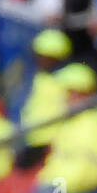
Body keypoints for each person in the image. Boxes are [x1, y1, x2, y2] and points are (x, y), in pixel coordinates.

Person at [33, 62, 97, 193]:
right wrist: (46, 186)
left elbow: (86, 173)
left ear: (81, 92)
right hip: (70, 189)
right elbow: (57, 166)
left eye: (69, 92)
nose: (65, 98)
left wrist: (54, 191)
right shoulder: (69, 124)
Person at [19, 29, 72, 161]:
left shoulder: (70, 80)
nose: (41, 60)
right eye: (39, 55)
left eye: (47, 56)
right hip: (32, 141)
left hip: (57, 143)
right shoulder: (36, 78)